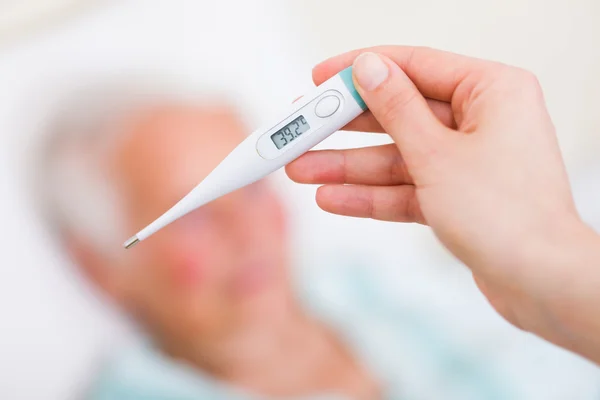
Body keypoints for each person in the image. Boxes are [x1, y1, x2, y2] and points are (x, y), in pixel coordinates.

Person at [35, 84, 513, 399]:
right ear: (101, 268)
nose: (246, 230)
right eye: (193, 214)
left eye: (254, 186)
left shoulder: (371, 288)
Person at [286, 46, 600, 366]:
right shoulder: (348, 289)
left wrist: (547, 267)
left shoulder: (386, 297)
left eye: (253, 194)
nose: (242, 223)